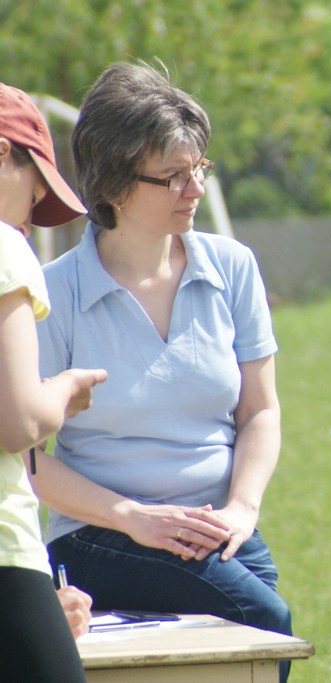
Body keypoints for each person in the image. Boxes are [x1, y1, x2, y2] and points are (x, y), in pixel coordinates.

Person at [25, 62, 293, 682]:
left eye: (200, 169)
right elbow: (26, 459)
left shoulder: (233, 267)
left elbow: (260, 411)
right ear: (114, 185)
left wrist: (241, 510)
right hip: (100, 536)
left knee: (261, 632)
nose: (194, 188)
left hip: (218, 531)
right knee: (263, 618)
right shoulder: (51, 293)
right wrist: (132, 516)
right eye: (173, 176)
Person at [0, 80, 107, 682]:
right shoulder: (4, 246)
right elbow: (18, 422)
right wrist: (65, 389)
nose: (30, 216)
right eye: (34, 188)